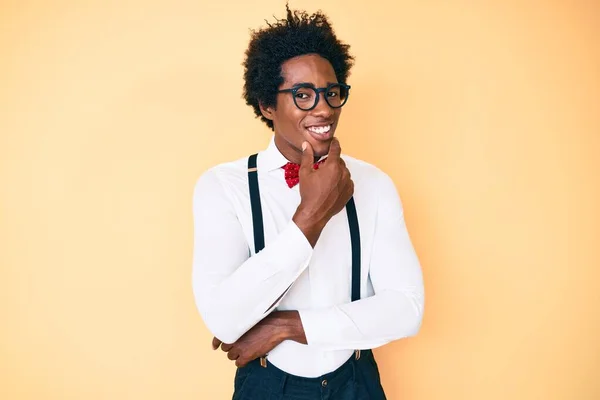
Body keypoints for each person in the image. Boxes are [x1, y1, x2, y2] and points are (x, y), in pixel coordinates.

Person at [192, 5, 424, 399]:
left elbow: (406, 308)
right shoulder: (224, 186)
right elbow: (224, 319)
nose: (324, 108)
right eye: (303, 95)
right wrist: (310, 217)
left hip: (356, 381)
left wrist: (288, 326)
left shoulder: (374, 183)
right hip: (267, 385)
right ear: (267, 105)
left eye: (331, 93)